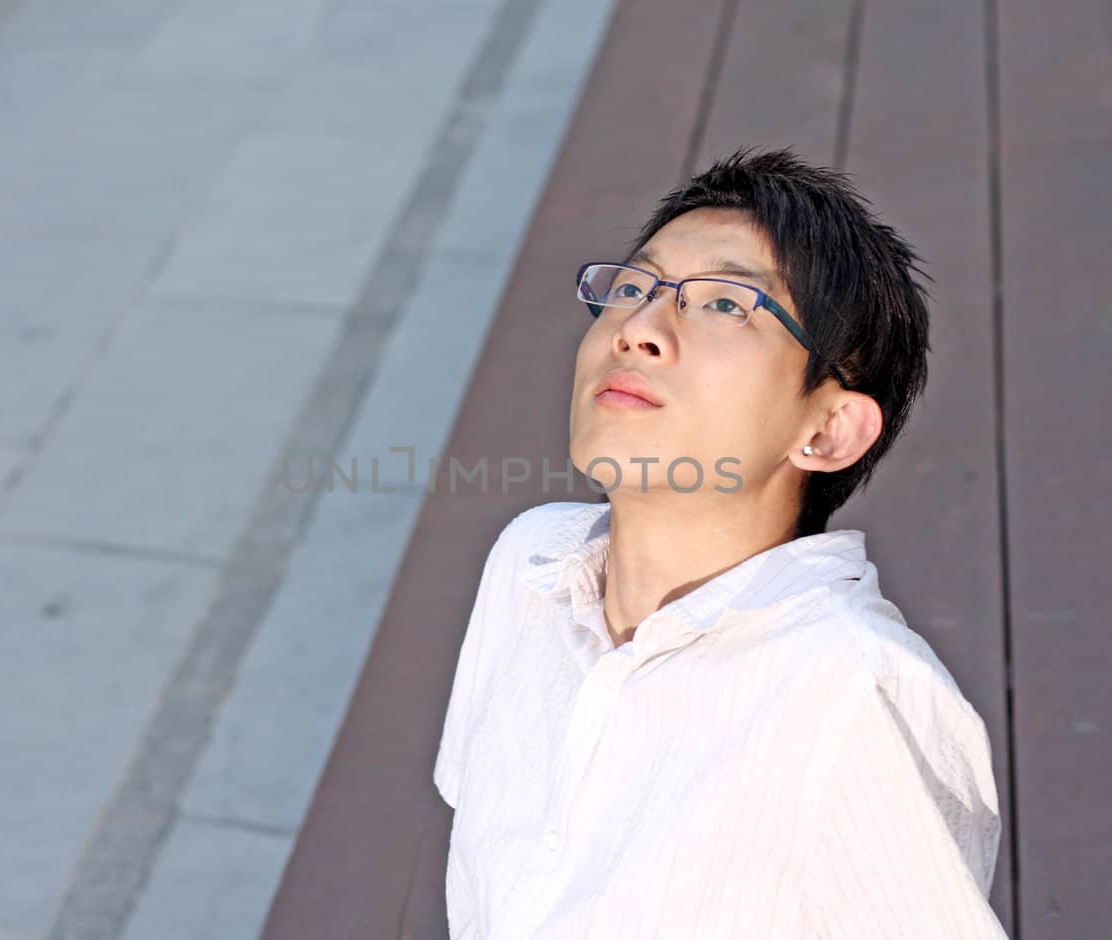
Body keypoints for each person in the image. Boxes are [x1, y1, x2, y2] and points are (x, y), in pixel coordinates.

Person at [431, 147, 1007, 938]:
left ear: (830, 430)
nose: (638, 329)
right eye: (634, 286)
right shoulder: (528, 566)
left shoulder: (850, 690)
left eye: (728, 303)